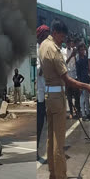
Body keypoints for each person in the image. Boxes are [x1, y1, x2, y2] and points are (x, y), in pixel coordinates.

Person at [39, 19, 90, 179]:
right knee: (59, 140)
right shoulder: (54, 51)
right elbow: (67, 80)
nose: (63, 40)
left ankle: (52, 174)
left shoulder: (42, 46)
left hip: (49, 94)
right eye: (61, 37)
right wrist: (86, 86)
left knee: (50, 138)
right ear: (55, 32)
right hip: (57, 96)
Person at [36, 24, 50, 157]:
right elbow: (38, 71)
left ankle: (49, 149)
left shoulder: (46, 49)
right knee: (40, 123)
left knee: (50, 122)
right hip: (40, 94)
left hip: (48, 91)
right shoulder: (37, 50)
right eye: (45, 36)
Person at [65, 36, 80, 119]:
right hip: (67, 76)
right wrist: (71, 55)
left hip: (74, 75)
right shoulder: (63, 51)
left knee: (76, 95)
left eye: (70, 42)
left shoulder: (74, 49)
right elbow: (65, 62)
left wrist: (75, 53)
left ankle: (77, 111)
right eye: (67, 42)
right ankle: (71, 112)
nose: (69, 44)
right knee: (69, 96)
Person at [76, 41, 90, 121]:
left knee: (87, 97)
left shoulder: (85, 58)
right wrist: (79, 84)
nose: (82, 51)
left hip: (86, 79)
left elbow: (87, 69)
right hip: (81, 81)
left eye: (83, 49)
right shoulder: (78, 60)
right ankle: (83, 114)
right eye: (81, 50)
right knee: (82, 99)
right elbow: (78, 74)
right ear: (78, 50)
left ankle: (88, 112)